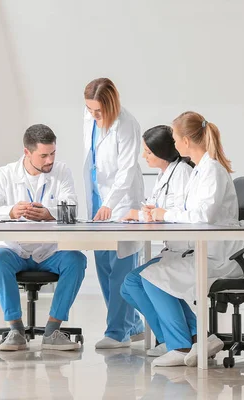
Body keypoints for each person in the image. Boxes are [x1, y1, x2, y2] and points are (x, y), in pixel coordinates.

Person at [121, 111, 244, 367]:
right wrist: (158, 212)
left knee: (153, 278)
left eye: (175, 136)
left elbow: (203, 216)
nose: (173, 142)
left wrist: (164, 213)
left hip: (222, 256)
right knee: (145, 279)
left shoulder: (211, 170)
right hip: (204, 250)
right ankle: (194, 338)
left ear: (186, 141)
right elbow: (189, 211)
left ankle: (180, 346)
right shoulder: (201, 171)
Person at [0, 124, 86, 351]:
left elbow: (72, 208)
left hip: (48, 251)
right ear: (27, 152)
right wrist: (10, 211)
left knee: (77, 260)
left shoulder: (62, 172)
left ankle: (53, 330)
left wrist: (49, 213)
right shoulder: (3, 175)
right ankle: (15, 330)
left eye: (53, 153)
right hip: (14, 250)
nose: (50, 160)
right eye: (43, 155)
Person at [82, 77, 145, 349]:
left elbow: (127, 169)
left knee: (121, 266)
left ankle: (117, 333)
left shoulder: (127, 124)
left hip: (121, 202)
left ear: (111, 105)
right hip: (98, 200)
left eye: (98, 111)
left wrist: (110, 202)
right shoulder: (89, 118)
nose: (94, 116)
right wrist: (100, 201)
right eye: (90, 110)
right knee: (103, 265)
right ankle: (134, 325)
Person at [121, 125, 193, 222]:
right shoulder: (163, 173)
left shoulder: (182, 171)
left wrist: (139, 215)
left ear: (162, 153)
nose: (143, 156)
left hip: (180, 235)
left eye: (148, 152)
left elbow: (184, 212)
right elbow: (157, 209)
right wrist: (146, 212)